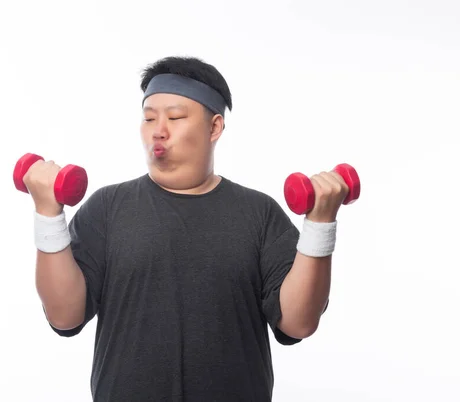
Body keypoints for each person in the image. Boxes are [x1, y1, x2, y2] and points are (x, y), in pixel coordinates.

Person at [23, 56, 350, 402]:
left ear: (214, 128)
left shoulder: (259, 213)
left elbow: (298, 322)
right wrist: (48, 215)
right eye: (149, 117)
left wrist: (319, 225)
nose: (158, 129)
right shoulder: (107, 208)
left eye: (175, 117)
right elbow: (64, 316)